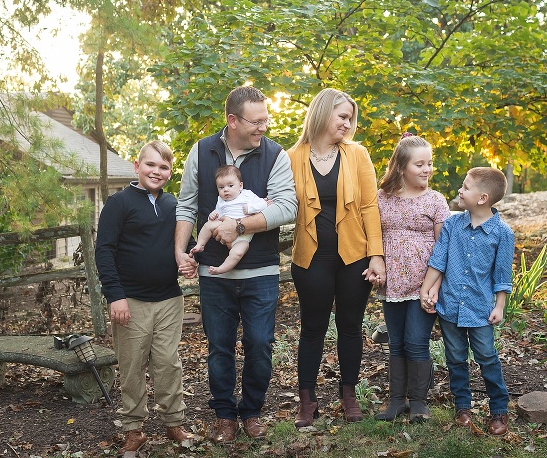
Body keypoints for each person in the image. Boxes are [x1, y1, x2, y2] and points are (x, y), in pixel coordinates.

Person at [174, 85, 297, 444]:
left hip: (260, 270)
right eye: (257, 121)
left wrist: (239, 226)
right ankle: (225, 415)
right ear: (232, 120)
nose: (264, 127)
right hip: (214, 272)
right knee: (219, 345)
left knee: (260, 343)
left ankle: (253, 411)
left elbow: (287, 207)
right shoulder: (201, 151)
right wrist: (181, 251)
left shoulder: (276, 155)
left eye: (266, 120)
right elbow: (185, 206)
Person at [287, 88, 385, 427]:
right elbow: (278, 205)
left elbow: (371, 206)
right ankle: (307, 399)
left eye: (350, 118)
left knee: (350, 327)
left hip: (355, 257)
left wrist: (377, 255)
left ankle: (348, 395)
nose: (347, 123)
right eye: (342, 116)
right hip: (311, 258)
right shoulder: (291, 157)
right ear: (322, 113)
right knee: (312, 328)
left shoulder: (357, 154)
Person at [95, 140, 196, 455]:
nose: (157, 171)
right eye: (150, 164)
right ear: (137, 167)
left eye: (164, 167)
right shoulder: (119, 203)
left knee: (168, 363)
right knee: (132, 365)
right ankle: (134, 429)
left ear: (169, 173)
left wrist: (191, 258)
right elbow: (105, 251)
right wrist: (116, 296)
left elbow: (186, 243)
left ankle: (173, 421)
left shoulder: (173, 205)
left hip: (169, 299)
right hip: (131, 302)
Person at [419, 167, 514, 436]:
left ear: (482, 198)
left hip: (481, 309)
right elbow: (438, 261)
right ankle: (462, 407)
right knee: (456, 358)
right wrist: (426, 291)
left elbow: (502, 274)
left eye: (465, 187)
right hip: (450, 306)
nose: (460, 191)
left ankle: (499, 409)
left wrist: (499, 305)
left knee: (487, 357)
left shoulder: (502, 233)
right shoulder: (451, 225)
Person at [374, 133, 450, 422]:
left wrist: (435, 286)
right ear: (401, 167)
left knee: (416, 340)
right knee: (396, 342)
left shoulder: (435, 201)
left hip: (424, 283)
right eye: (420, 164)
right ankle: (396, 401)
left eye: (429, 163)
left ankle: (418, 402)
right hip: (392, 282)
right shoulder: (382, 198)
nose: (427, 169)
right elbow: (373, 236)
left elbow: (443, 247)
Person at [191, 165, 272, 274]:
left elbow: (262, 204)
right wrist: (213, 214)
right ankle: (200, 244)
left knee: (238, 252)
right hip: (223, 226)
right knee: (208, 225)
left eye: (230, 185)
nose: (226, 190)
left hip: (244, 234)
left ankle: (222, 268)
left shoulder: (247, 195)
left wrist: (250, 208)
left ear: (240, 185)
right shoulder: (221, 200)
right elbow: (218, 211)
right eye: (221, 187)